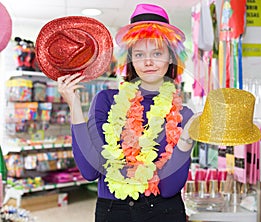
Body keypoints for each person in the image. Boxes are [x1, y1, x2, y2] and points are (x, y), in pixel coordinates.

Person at [57, 3, 197, 222]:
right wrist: (74, 105)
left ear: (171, 58)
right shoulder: (107, 101)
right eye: (139, 54)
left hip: (164, 212)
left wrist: (186, 139)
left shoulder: (182, 114)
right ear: (130, 59)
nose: (148, 62)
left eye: (157, 53)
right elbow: (89, 171)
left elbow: (169, 188)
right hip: (114, 211)